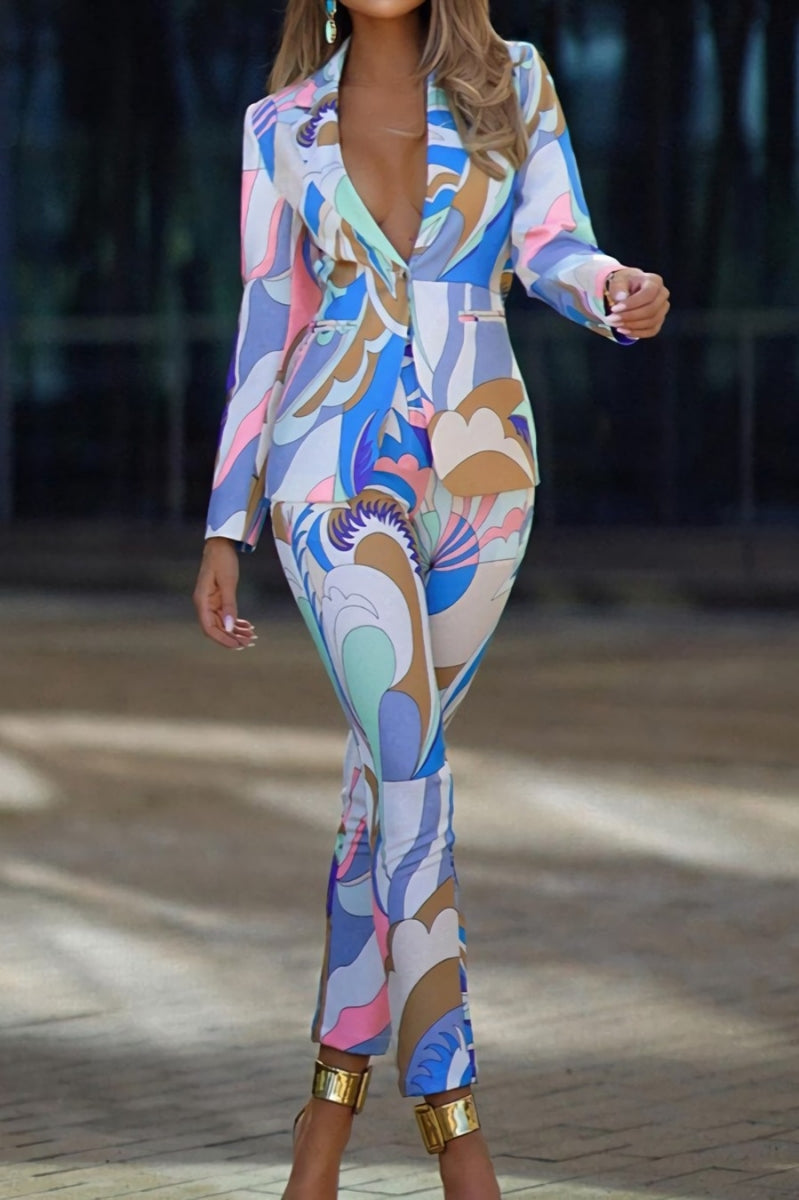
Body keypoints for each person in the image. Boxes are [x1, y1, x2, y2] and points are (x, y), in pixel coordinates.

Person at [193, 0, 670, 1196]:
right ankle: (456, 1126)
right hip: (328, 467)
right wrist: (224, 519)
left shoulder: (512, 79)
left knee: (381, 784)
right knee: (412, 766)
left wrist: (612, 287)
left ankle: (323, 1125)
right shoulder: (278, 123)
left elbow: (551, 245)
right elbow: (268, 313)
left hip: (484, 477)